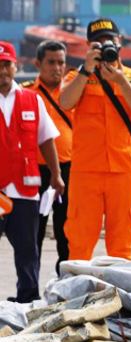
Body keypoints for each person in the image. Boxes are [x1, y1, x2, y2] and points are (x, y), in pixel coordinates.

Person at [60, 17, 131, 261]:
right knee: (79, 241)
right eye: (99, 43)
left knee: (122, 243)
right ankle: (78, 284)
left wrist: (121, 81)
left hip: (124, 170)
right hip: (85, 171)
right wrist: (86, 70)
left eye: (109, 40)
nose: (105, 46)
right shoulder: (77, 76)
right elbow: (65, 102)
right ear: (89, 46)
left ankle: (121, 286)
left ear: (119, 42)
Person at [0, 41, 64, 302]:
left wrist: (56, 175)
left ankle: (27, 299)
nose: (3, 70)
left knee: (28, 249)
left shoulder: (32, 100)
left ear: (16, 66)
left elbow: (46, 139)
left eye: (7, 64)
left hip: (24, 190)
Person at [21, 40, 72, 274]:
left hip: (69, 170)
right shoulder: (26, 93)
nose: (57, 67)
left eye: (61, 62)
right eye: (51, 62)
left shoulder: (72, 93)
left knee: (67, 233)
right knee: (32, 232)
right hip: (34, 172)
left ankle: (66, 283)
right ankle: (30, 286)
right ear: (38, 64)